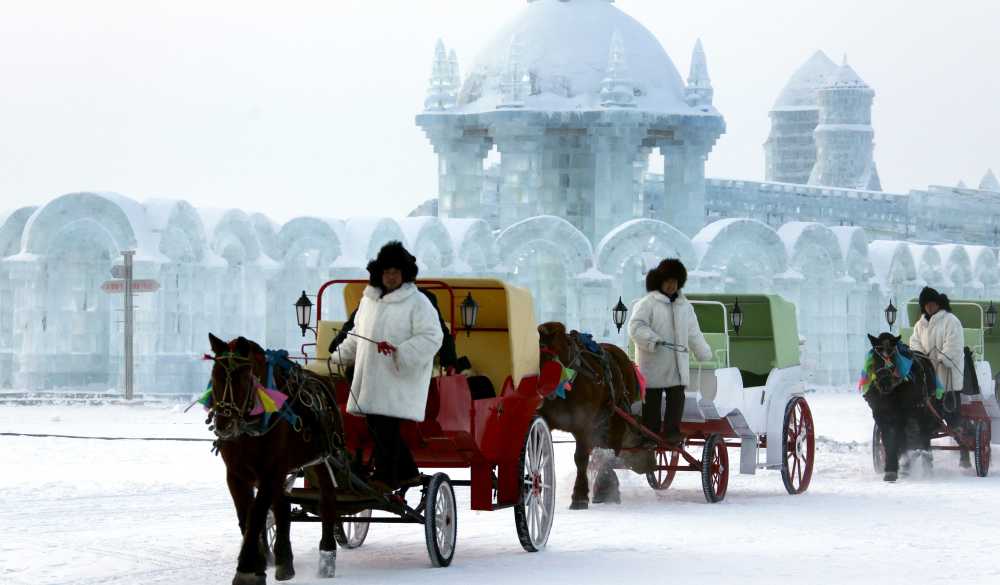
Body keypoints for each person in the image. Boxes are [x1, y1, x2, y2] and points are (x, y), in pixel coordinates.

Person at [332, 241, 443, 491]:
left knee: (385, 428)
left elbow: (432, 336)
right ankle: (408, 472)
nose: (391, 277)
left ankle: (386, 477)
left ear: (404, 274)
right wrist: (339, 355)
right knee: (378, 427)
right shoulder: (369, 302)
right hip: (370, 379)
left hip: (398, 377)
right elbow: (357, 335)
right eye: (386, 272)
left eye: (395, 272)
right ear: (378, 274)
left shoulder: (418, 302)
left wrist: (400, 352)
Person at [627, 259, 712, 446]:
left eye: (674, 281)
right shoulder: (646, 304)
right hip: (653, 362)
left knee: (676, 397)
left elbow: (693, 332)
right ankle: (651, 433)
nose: (671, 285)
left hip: (677, 364)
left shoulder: (685, 307)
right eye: (667, 281)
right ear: (659, 282)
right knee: (652, 399)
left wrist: (702, 351)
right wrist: (652, 339)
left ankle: (672, 432)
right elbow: (635, 327)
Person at [908, 286, 966, 468]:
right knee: (924, 416)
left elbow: (954, 343)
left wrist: (942, 358)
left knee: (952, 416)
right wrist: (920, 358)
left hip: (946, 375)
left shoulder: (951, 321)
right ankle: (926, 456)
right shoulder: (920, 325)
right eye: (926, 305)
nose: (929, 308)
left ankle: (964, 448)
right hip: (928, 376)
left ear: (938, 303)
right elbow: (914, 343)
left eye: (932, 304)